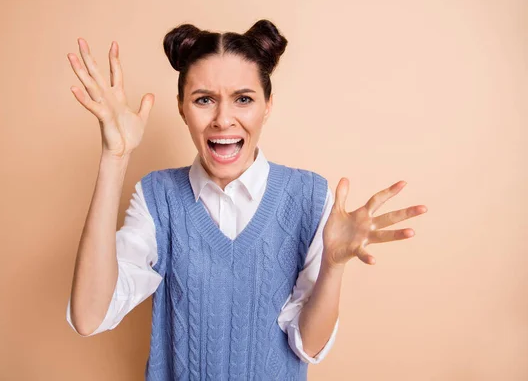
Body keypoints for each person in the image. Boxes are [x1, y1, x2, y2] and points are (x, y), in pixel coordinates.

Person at [65, 19, 428, 380]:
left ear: (267, 105)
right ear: (181, 107)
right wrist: (115, 158)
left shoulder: (310, 196)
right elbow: (89, 316)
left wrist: (333, 266)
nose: (224, 119)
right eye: (204, 100)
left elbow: (310, 347)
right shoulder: (157, 197)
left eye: (243, 99)